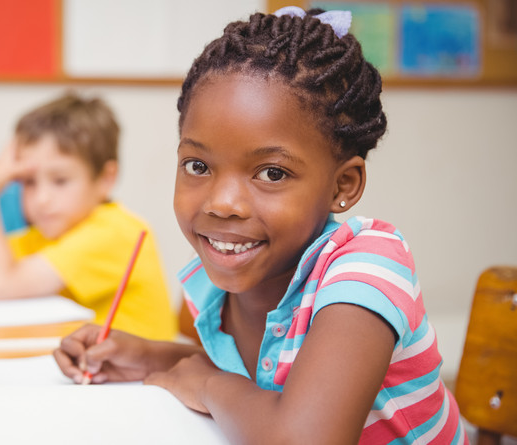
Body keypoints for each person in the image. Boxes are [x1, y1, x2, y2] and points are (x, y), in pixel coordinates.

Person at [54, 7, 467, 444]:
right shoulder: (228, 279)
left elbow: (303, 438)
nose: (222, 203)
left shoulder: (369, 268)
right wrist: (151, 357)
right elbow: (264, 378)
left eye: (271, 173)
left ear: (343, 185)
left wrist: (207, 385)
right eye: (197, 165)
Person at [0, 91, 177, 341]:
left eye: (60, 181)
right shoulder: (53, 233)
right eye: (28, 182)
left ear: (106, 179)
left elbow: (0, 285)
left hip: (138, 379)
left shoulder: (114, 232)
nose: (42, 199)